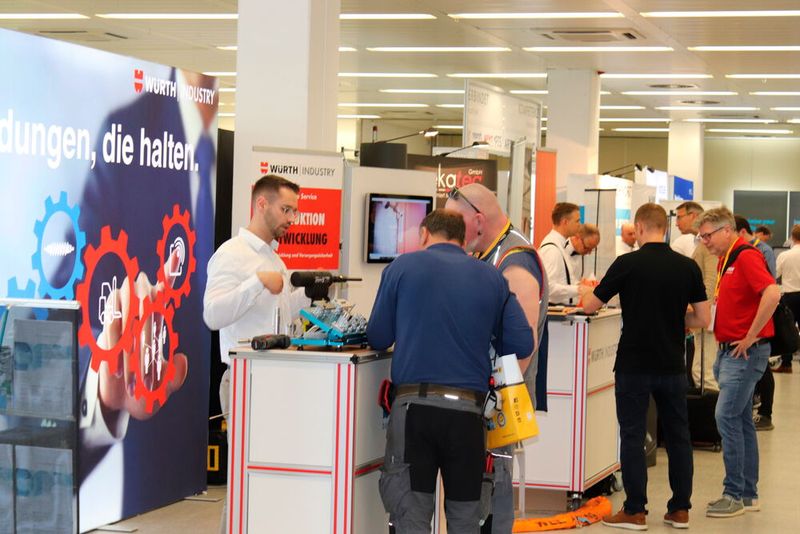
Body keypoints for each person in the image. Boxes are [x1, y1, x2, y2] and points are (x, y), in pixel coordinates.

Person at [367, 209, 534, 534]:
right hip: (467, 416)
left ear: (425, 235)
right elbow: (521, 342)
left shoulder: (401, 267)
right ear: (463, 240)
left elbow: (378, 336)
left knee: (411, 515)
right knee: (465, 518)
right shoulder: (491, 277)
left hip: (413, 411)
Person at [582, 203, 709, 531]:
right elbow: (703, 318)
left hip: (634, 364)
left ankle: (635, 510)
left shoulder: (627, 264)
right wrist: (675, 320)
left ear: (639, 228)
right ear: (663, 228)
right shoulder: (686, 267)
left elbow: (591, 305)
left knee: (632, 434)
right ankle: (680, 509)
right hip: (672, 365)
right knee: (679, 436)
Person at [203, 174, 310, 533]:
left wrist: (309, 292)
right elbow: (212, 315)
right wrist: (255, 283)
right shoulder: (231, 255)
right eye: (286, 209)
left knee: (269, 475)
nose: (291, 219)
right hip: (245, 381)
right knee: (247, 476)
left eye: (294, 211)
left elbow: (281, 319)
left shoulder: (274, 259)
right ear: (261, 204)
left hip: (277, 381)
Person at [444, 183, 549, 534]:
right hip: (485, 396)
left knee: (494, 492)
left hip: (499, 401)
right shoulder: (489, 252)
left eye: (456, 223)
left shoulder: (514, 260)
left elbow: (522, 345)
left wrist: (492, 402)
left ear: (477, 219)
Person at [698, 207, 780, 518]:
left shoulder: (745, 256)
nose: (704, 241)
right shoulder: (725, 259)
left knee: (727, 418)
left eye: (708, 235)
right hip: (727, 352)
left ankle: (733, 494)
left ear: (727, 230)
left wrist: (750, 335)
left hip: (744, 353)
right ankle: (747, 493)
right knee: (741, 421)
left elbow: (772, 293)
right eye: (701, 236)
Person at [539, 202, 592, 305]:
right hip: (555, 314)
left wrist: (583, 286)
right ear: (565, 222)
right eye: (577, 221)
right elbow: (549, 287)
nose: (579, 225)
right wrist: (578, 289)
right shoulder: (552, 249)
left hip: (562, 311)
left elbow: (565, 281)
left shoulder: (560, 247)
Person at [775, 224, 800, 373]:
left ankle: (786, 364)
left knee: (787, 329)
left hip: (789, 295)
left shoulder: (785, 255)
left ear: (792, 237)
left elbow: (775, 274)